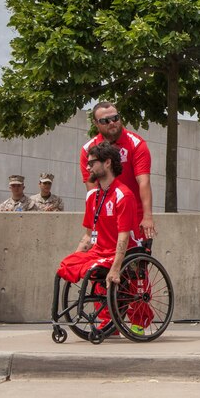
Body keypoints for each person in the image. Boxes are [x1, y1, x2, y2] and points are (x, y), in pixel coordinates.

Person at [57, 142, 137, 287]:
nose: (88, 168)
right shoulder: (92, 195)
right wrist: (77, 256)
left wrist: (116, 268)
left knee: (89, 270)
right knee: (66, 265)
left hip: (116, 254)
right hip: (97, 251)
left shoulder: (123, 195)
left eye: (92, 163)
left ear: (107, 163)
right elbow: (89, 235)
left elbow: (123, 236)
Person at [79, 101, 155, 239]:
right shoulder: (88, 150)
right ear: (96, 123)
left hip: (134, 216)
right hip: (106, 217)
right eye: (105, 120)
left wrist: (148, 216)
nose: (112, 123)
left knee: (134, 258)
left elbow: (144, 182)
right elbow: (92, 190)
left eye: (115, 118)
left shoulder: (136, 144)